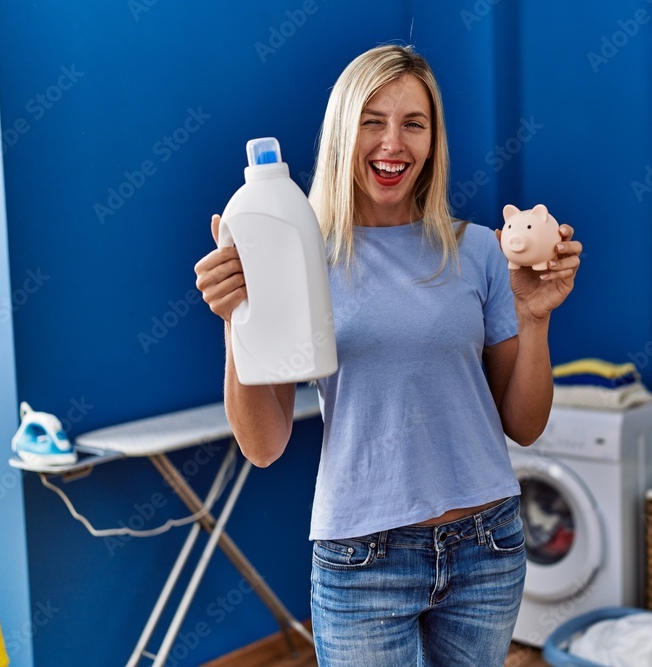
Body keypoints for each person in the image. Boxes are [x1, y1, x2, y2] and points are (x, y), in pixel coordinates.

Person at [194, 44, 582, 667]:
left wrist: (534, 321)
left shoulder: (479, 250)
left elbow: (525, 425)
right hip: (360, 558)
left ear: (434, 139)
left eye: (413, 123)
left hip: (487, 546)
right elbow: (262, 446)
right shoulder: (299, 254)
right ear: (343, 133)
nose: (392, 144)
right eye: (372, 121)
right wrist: (236, 317)